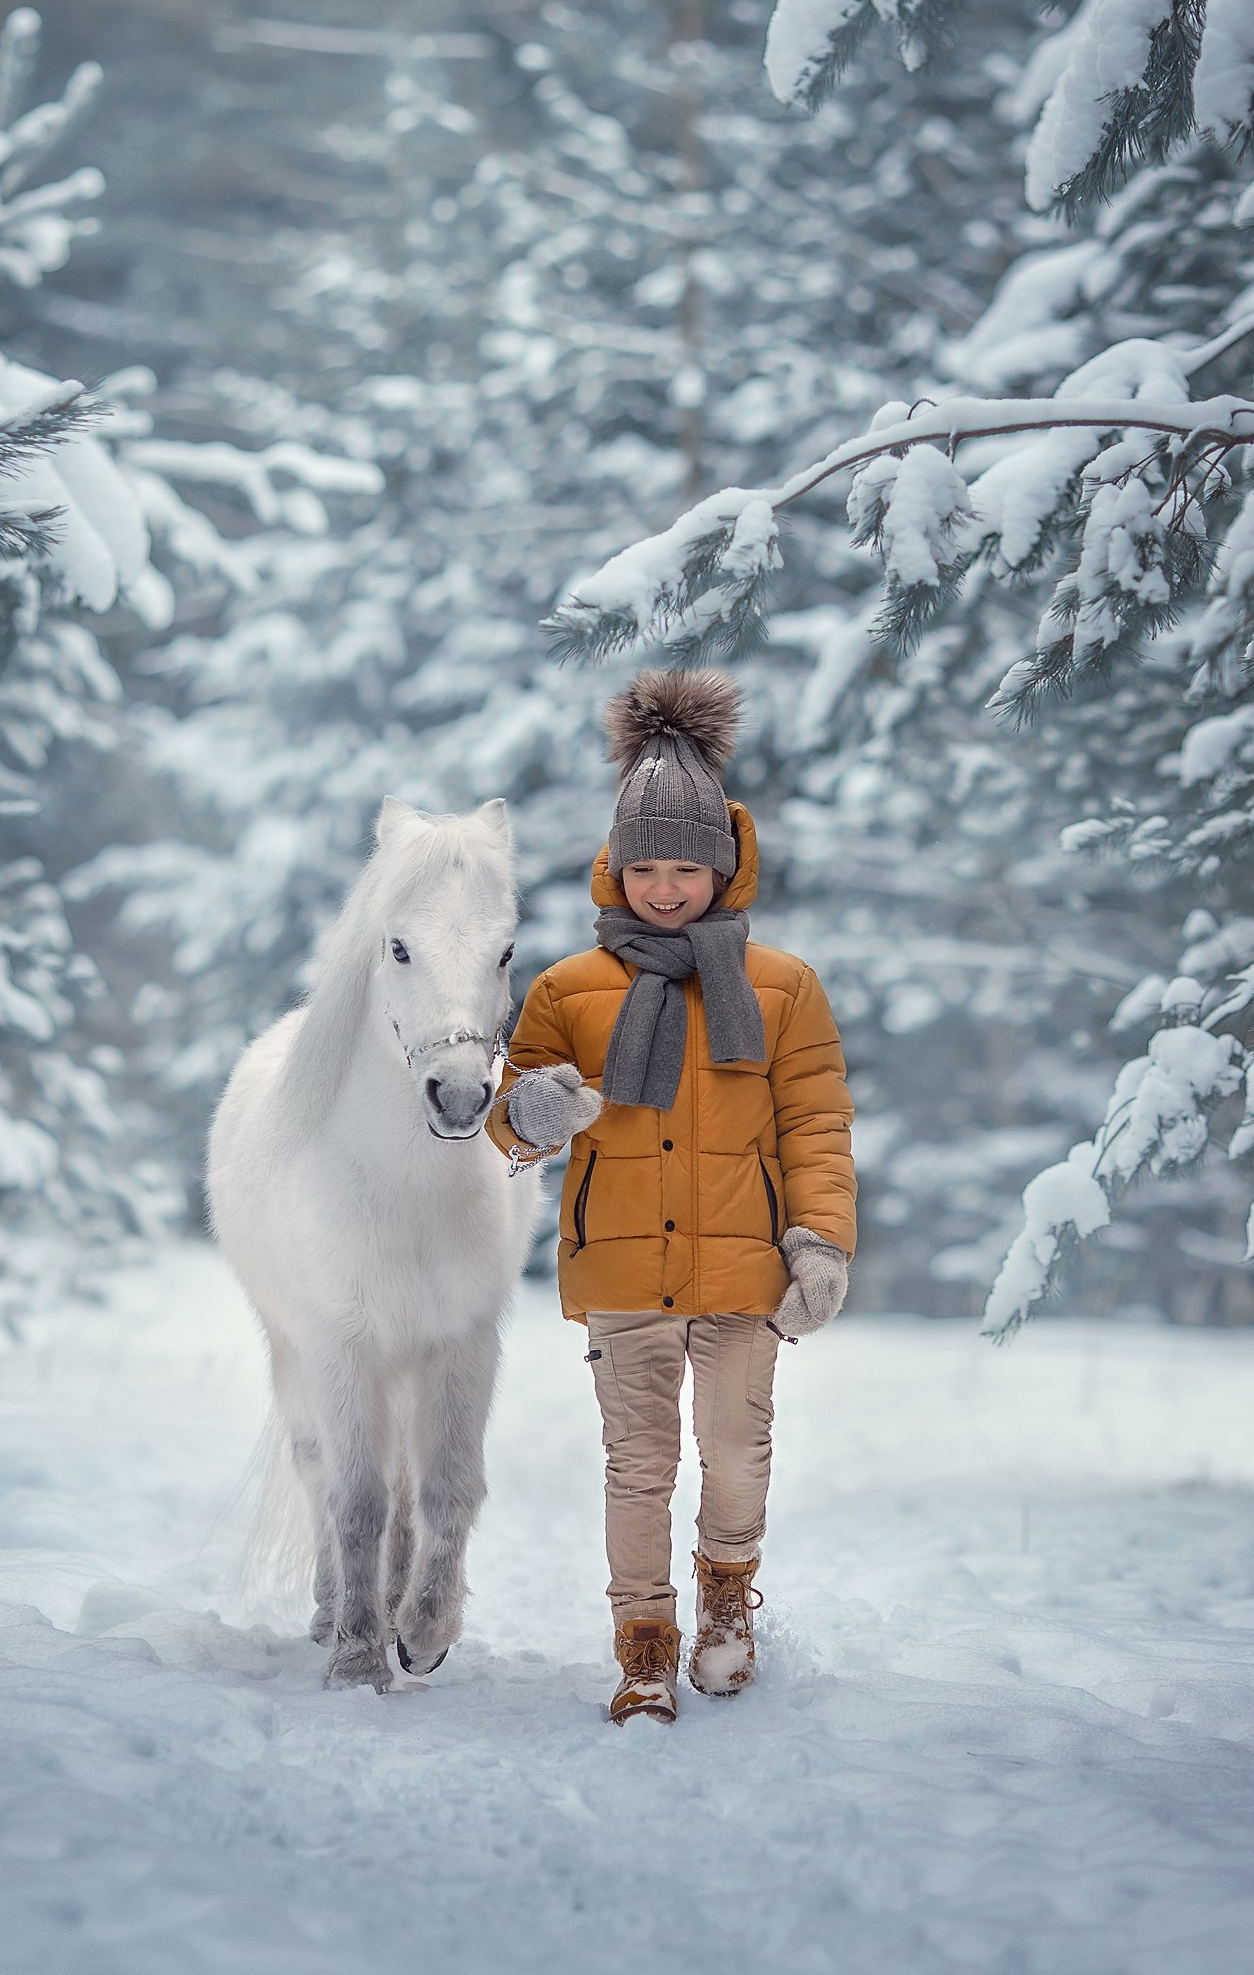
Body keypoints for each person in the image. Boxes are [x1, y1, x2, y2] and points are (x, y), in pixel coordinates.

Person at [486, 667, 856, 1724]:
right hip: (622, 1271)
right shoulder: (567, 989)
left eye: (684, 867)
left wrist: (819, 1241)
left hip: (743, 1270)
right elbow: (507, 1118)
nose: (662, 888)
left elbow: (815, 1124)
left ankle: (726, 1599)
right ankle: (642, 1646)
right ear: (614, 866)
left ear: (723, 865)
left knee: (736, 1455)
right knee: (637, 1466)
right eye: (643, 866)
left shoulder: (783, 987)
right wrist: (535, 1110)